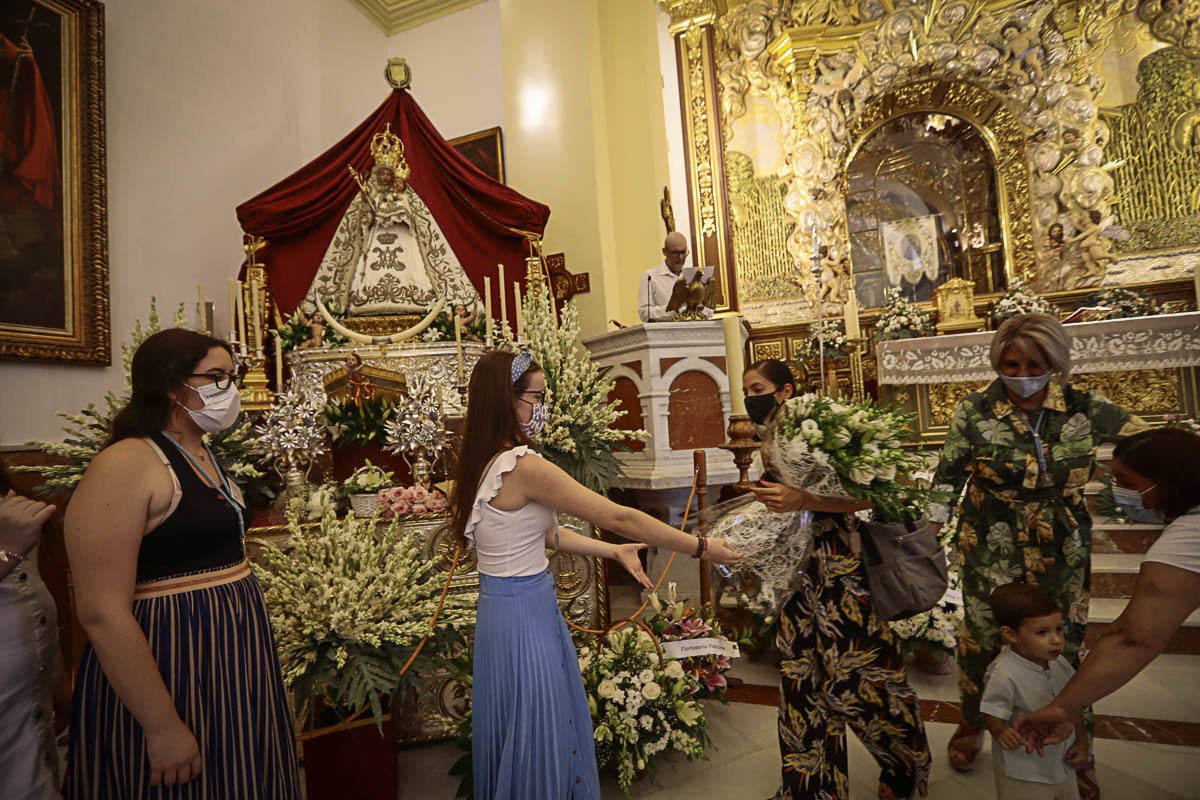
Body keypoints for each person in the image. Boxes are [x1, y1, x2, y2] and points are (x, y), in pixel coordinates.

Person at [449, 350, 740, 800]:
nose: (542, 407)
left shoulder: (485, 463)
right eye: (537, 397)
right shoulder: (524, 466)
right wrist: (701, 547)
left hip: (502, 612)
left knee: (520, 724)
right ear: (504, 400)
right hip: (525, 616)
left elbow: (544, 538)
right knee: (540, 727)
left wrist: (611, 550)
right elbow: (623, 515)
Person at [65, 328, 301, 797]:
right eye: (215, 377)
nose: (229, 391)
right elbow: (101, 611)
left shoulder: (201, 453)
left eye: (230, 377)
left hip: (229, 658)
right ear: (173, 385)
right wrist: (162, 725)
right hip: (175, 656)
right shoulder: (128, 461)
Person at [929, 313, 1144, 799]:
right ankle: (974, 723)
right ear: (997, 363)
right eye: (1011, 363)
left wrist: (1140, 483)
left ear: (1055, 363)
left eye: (1035, 363)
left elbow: (1150, 443)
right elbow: (948, 475)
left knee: (1060, 641)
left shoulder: (1085, 406)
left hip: (1061, 539)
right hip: (989, 536)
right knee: (985, 637)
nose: (1023, 372)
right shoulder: (975, 409)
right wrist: (929, 528)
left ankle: (1077, 741)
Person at [743, 358, 931, 800]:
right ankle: (809, 787)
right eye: (746, 391)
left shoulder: (823, 425)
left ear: (786, 390)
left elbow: (876, 492)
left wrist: (802, 498)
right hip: (795, 571)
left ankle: (904, 766)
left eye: (757, 388)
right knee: (799, 677)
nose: (750, 398)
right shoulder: (768, 435)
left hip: (842, 568)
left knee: (863, 672)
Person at [1016, 428, 1200, 749]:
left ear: (1171, 480)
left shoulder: (1188, 540)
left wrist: (1065, 707)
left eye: (1128, 483)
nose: (1119, 492)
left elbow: (1134, 637)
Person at [980, 583, 1087, 800]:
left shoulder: (1060, 663)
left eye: (1059, 629)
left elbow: (1072, 707)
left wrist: (1081, 742)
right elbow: (991, 711)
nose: (1056, 639)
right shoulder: (1003, 673)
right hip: (1024, 770)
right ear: (1010, 634)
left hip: (1061, 760)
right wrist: (1000, 731)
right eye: (1042, 632)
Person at [0, 466, 61, 800]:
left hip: (29, 714)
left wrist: (67, 698)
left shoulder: (13, 505)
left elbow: (36, 608)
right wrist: (7, 551)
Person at [638, 231, 711, 322]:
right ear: (664, 252)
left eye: (683, 252)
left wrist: (702, 309)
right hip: (665, 333)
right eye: (675, 253)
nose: (680, 257)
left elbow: (709, 309)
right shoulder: (650, 277)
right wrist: (672, 310)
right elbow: (644, 313)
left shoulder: (693, 276)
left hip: (693, 331)